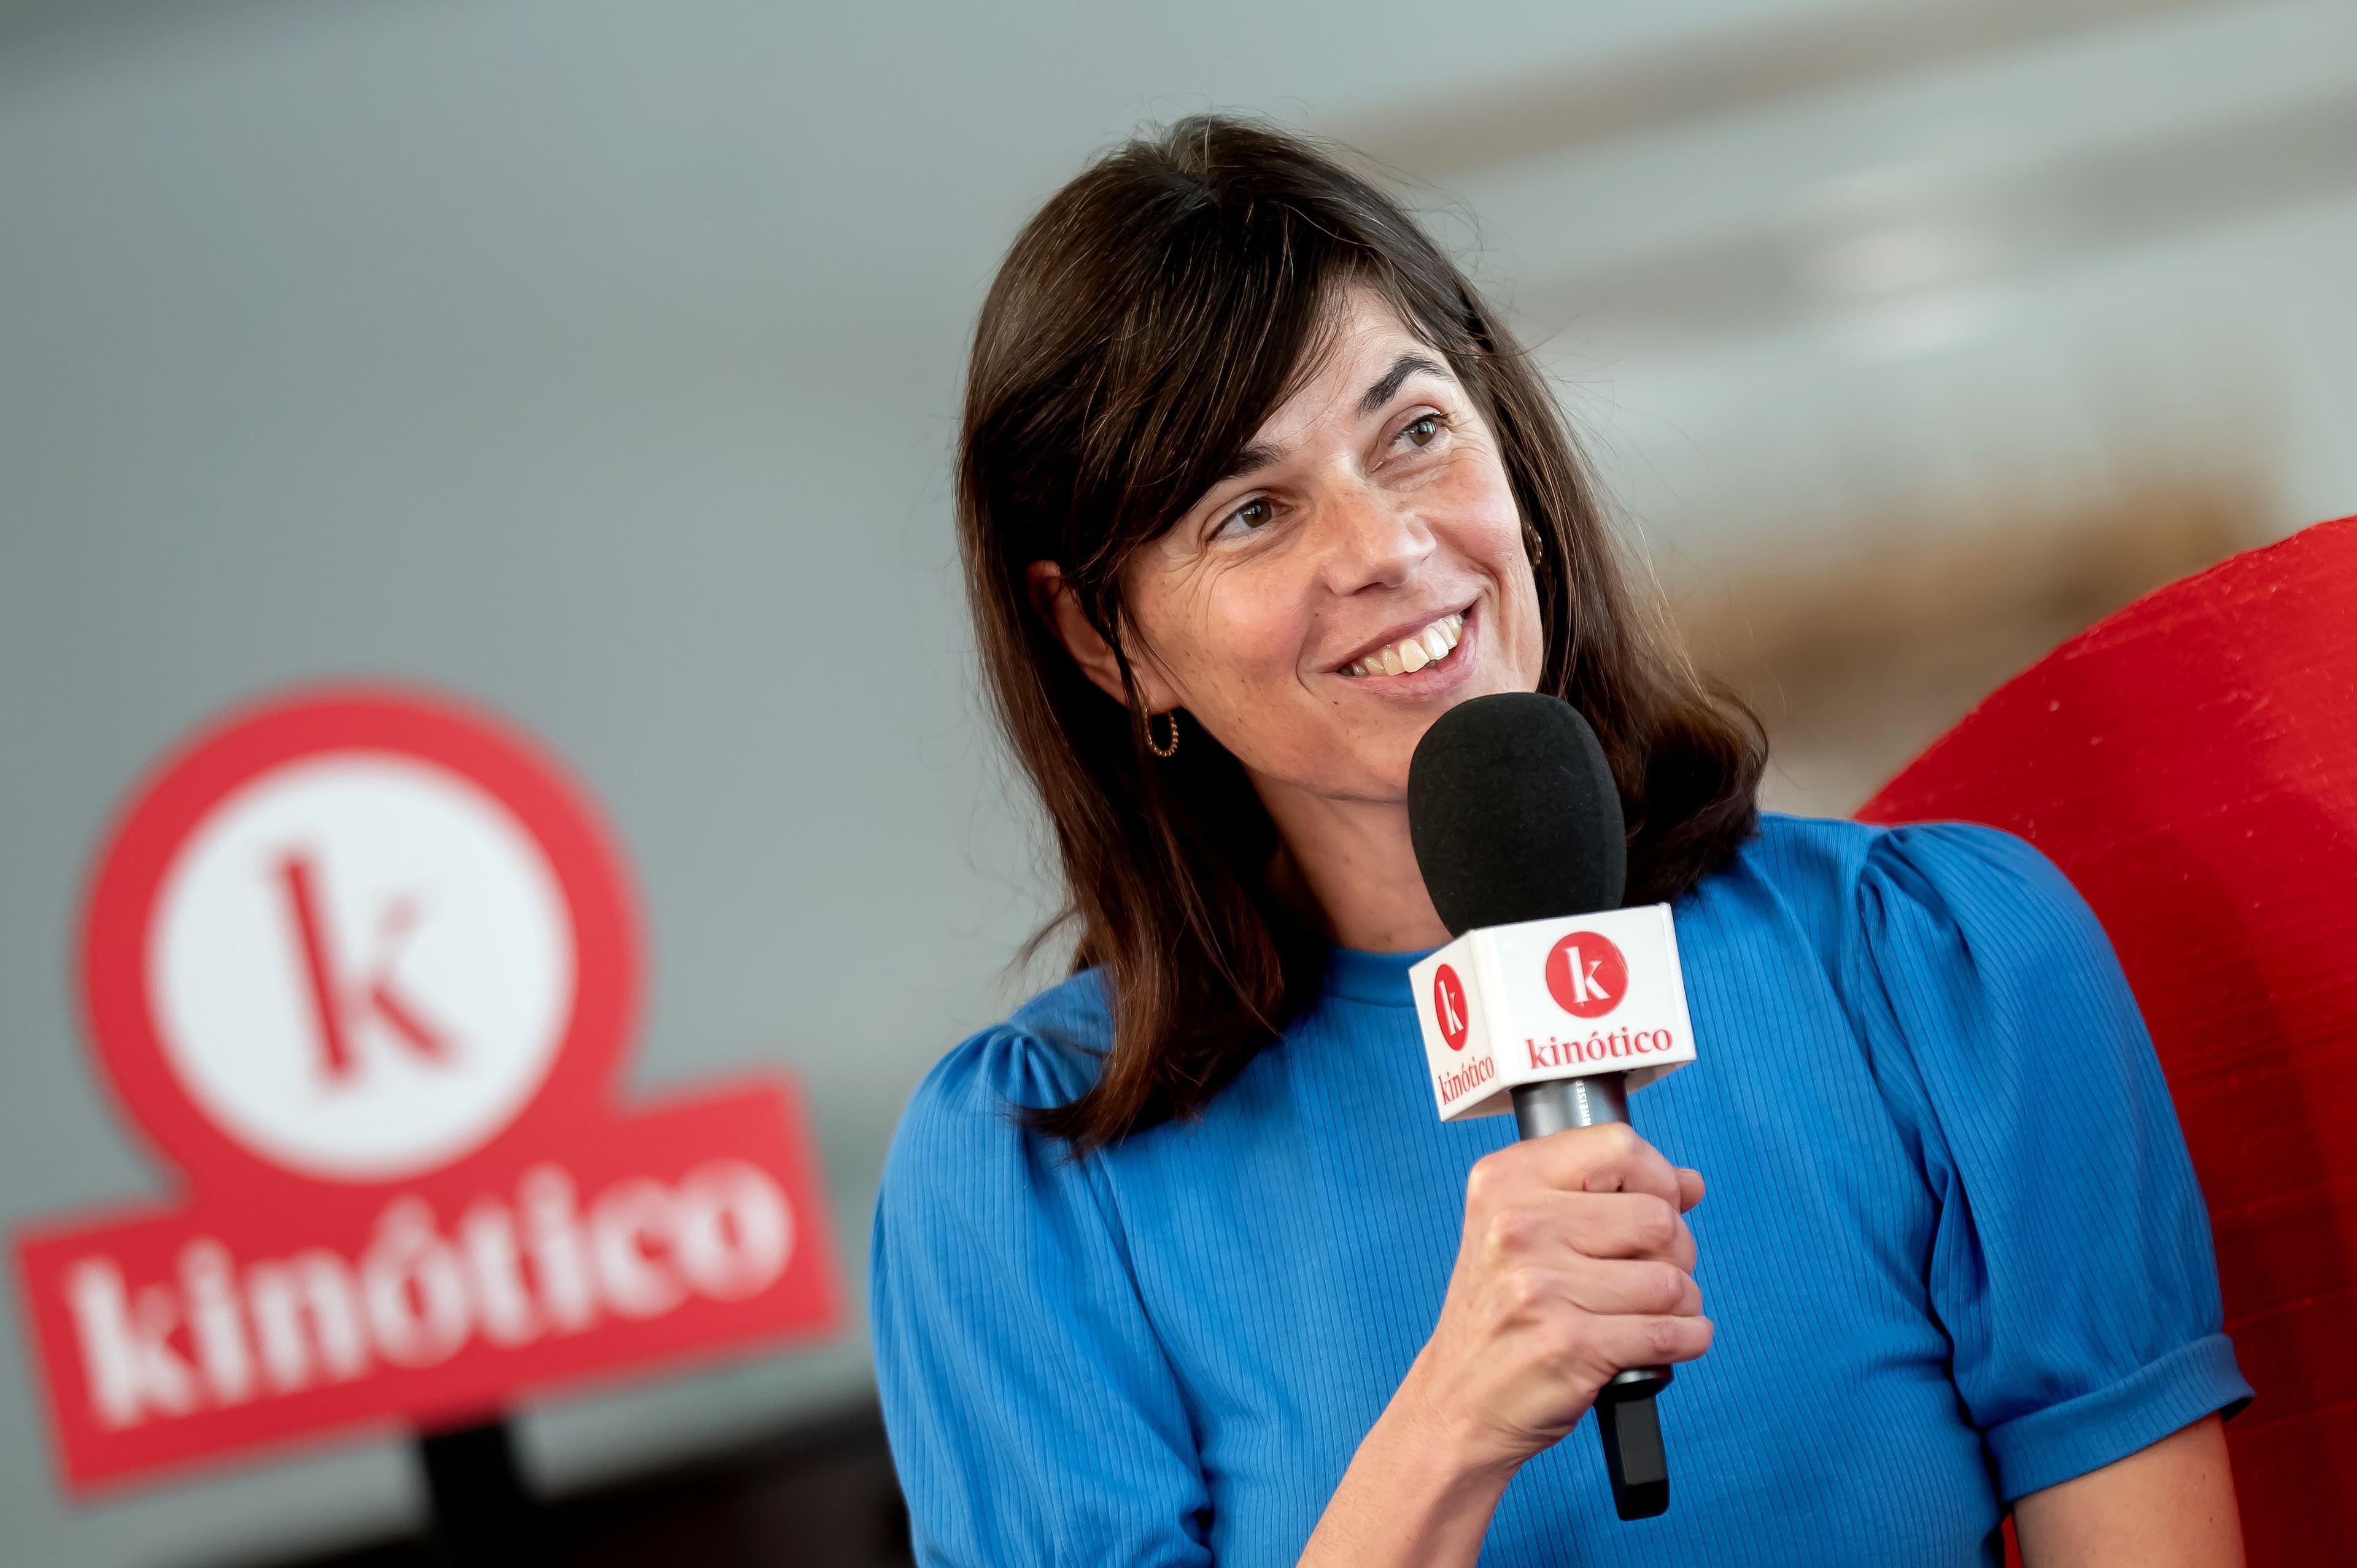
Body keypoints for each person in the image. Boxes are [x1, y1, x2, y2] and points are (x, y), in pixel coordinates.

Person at [869, 117, 2250, 1567]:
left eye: (1413, 432)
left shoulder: (1936, 969)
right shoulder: (1024, 1191)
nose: (1388, 548)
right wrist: (1449, 1431)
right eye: (1253, 511)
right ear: (1103, 640)